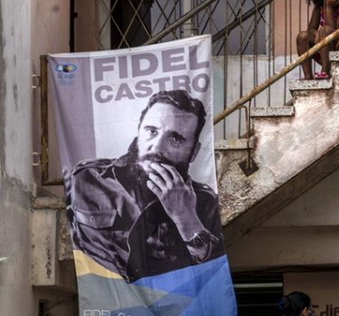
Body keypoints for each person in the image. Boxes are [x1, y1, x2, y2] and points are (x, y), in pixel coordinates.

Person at [65, 90, 222, 282]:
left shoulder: (205, 201)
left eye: (176, 138)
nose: (156, 147)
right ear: (138, 131)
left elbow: (213, 275)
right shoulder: (87, 178)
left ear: (194, 152)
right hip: (107, 303)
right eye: (152, 131)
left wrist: (185, 217)